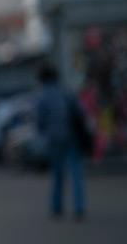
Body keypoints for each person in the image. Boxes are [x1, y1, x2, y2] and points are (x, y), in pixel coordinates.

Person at [35, 62, 88, 221]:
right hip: (72, 135)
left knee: (58, 174)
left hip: (55, 138)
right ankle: (79, 206)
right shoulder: (66, 91)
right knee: (76, 172)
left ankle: (57, 207)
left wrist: (44, 134)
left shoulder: (42, 95)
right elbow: (80, 112)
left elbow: (39, 120)